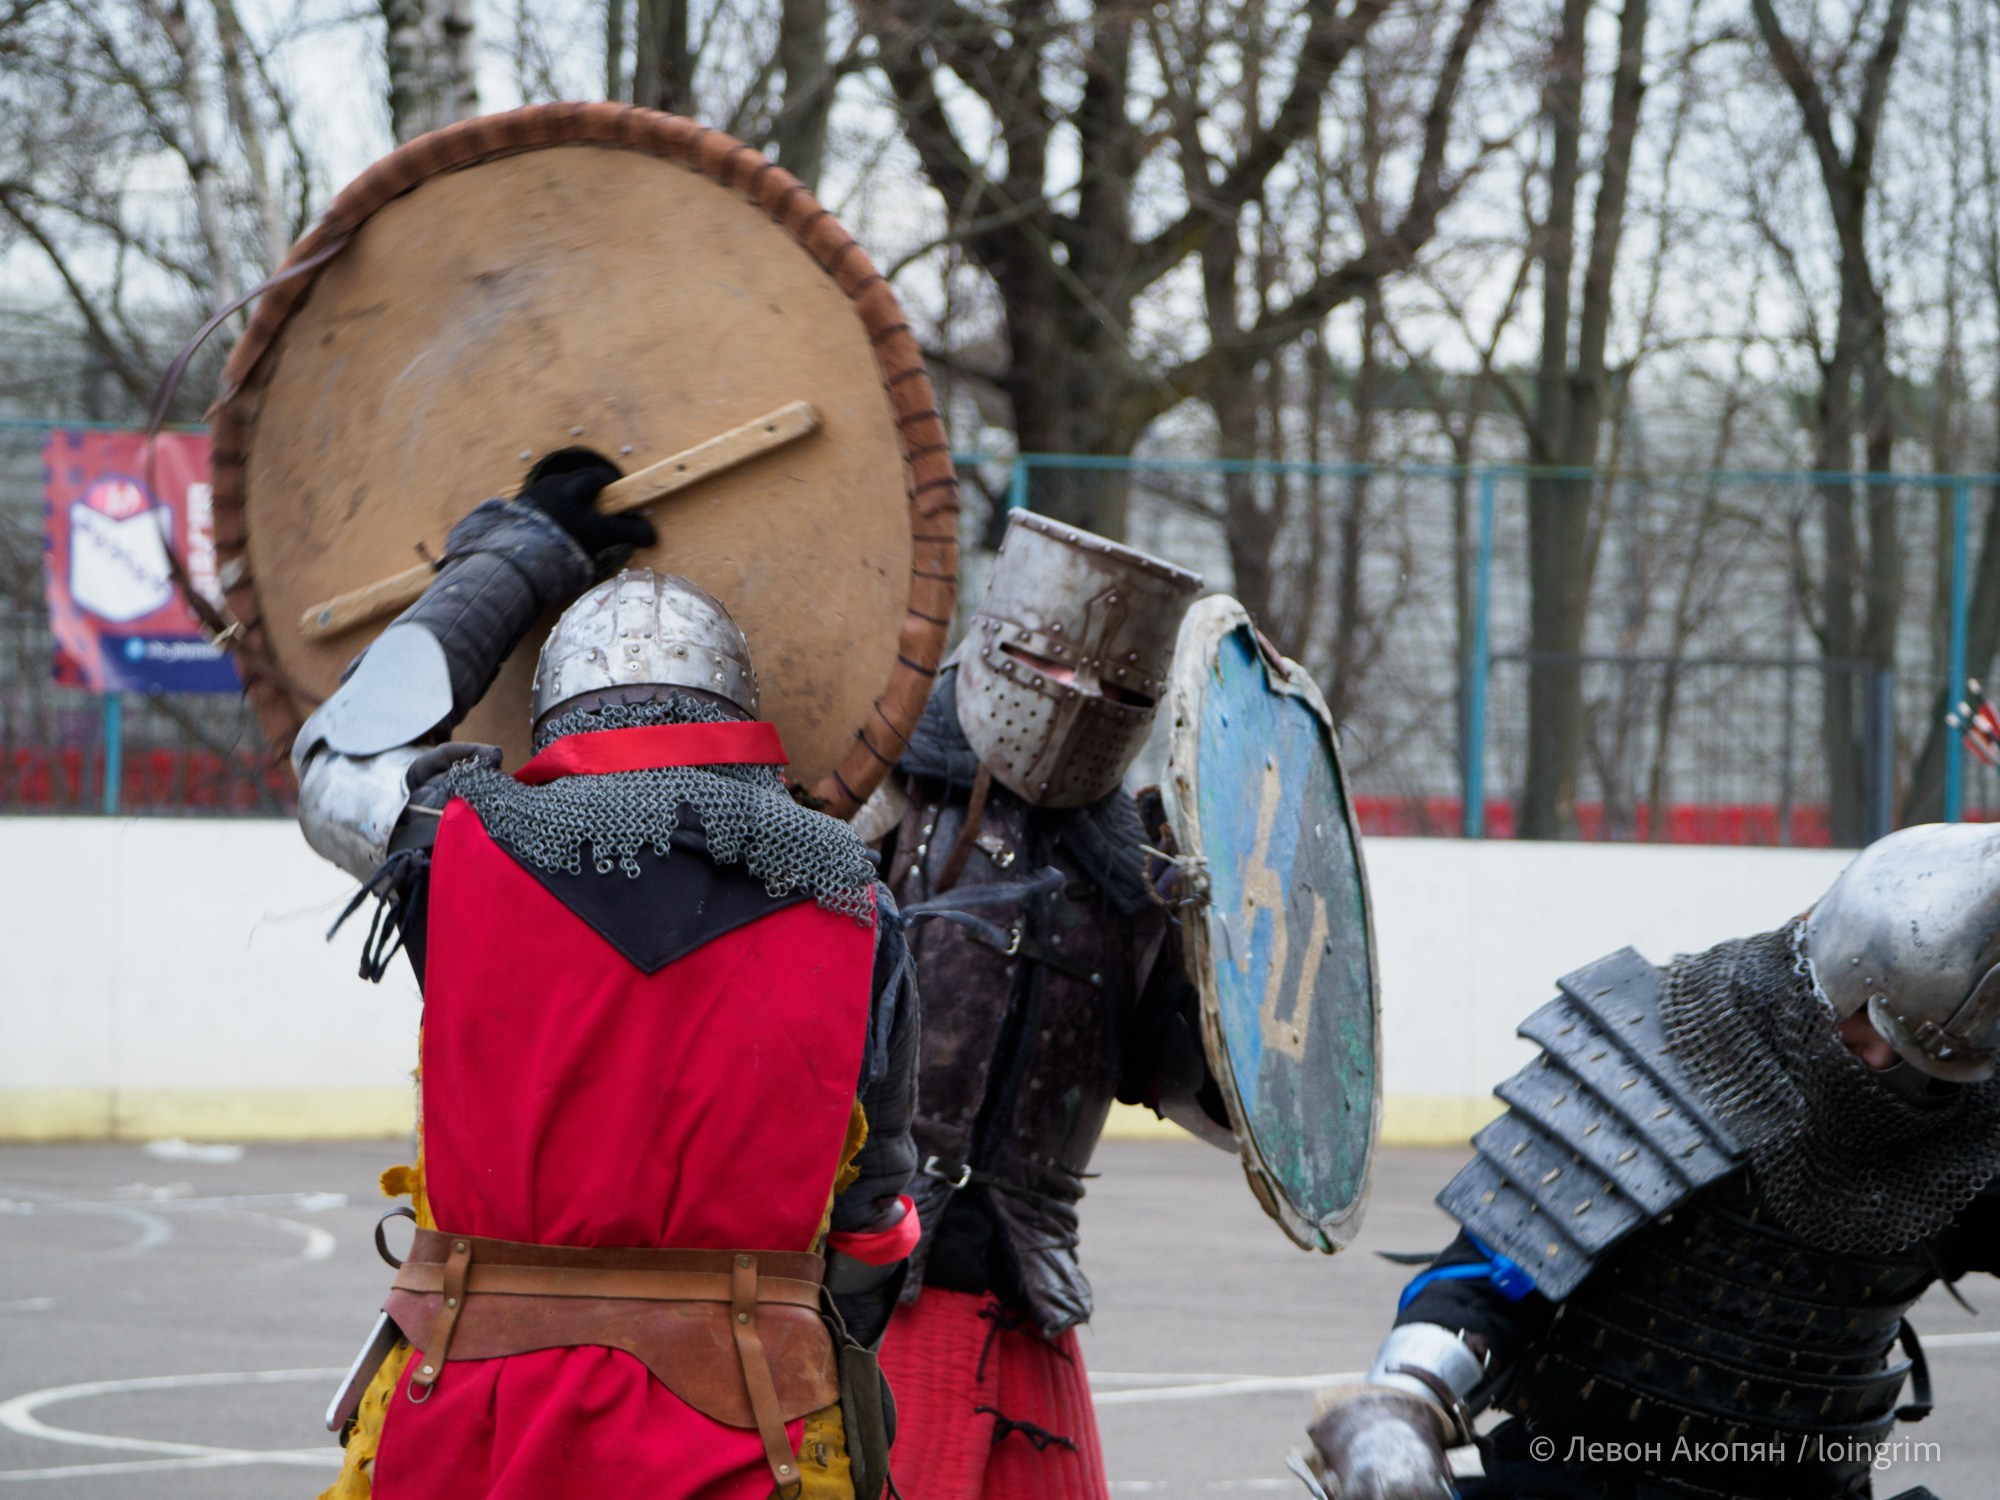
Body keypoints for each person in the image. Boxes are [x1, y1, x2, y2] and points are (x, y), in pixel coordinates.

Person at [295, 452, 920, 1500]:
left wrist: (520, 554)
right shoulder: (853, 900)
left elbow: (335, 764)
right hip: (752, 1427)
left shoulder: (454, 856)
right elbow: (872, 1228)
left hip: (475, 1417)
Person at [1307, 822, 2000, 1500]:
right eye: (1870, 1030)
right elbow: (1486, 1283)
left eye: (1927, 1063)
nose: (1881, 1069)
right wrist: (1399, 1407)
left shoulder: (1959, 1126)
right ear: (1833, 967)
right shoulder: (1664, 1055)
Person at [855, 508, 1229, 1500]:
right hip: (871, 1277)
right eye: (1056, 671)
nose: (1075, 700)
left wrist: (1211, 967)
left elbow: (1192, 1087)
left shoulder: (1131, 869)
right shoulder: (877, 802)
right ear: (1002, 643)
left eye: (1111, 687)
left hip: (1024, 1287)